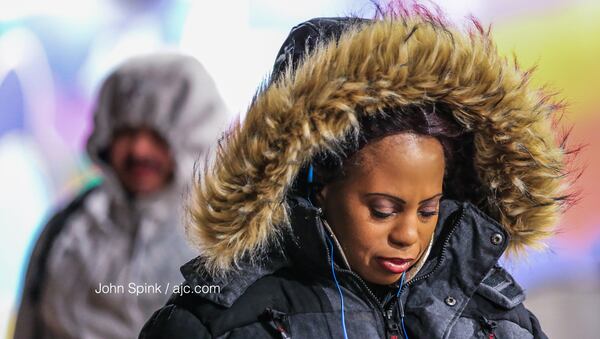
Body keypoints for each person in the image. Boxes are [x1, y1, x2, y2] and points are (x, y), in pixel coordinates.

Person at [139, 9, 571, 339]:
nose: (408, 235)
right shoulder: (219, 320)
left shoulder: (497, 318)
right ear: (315, 184)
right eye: (383, 210)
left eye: (428, 210)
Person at [14, 53, 230, 339]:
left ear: (193, 135)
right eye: (126, 132)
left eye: (157, 135)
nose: (139, 150)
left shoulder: (223, 242)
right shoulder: (67, 231)